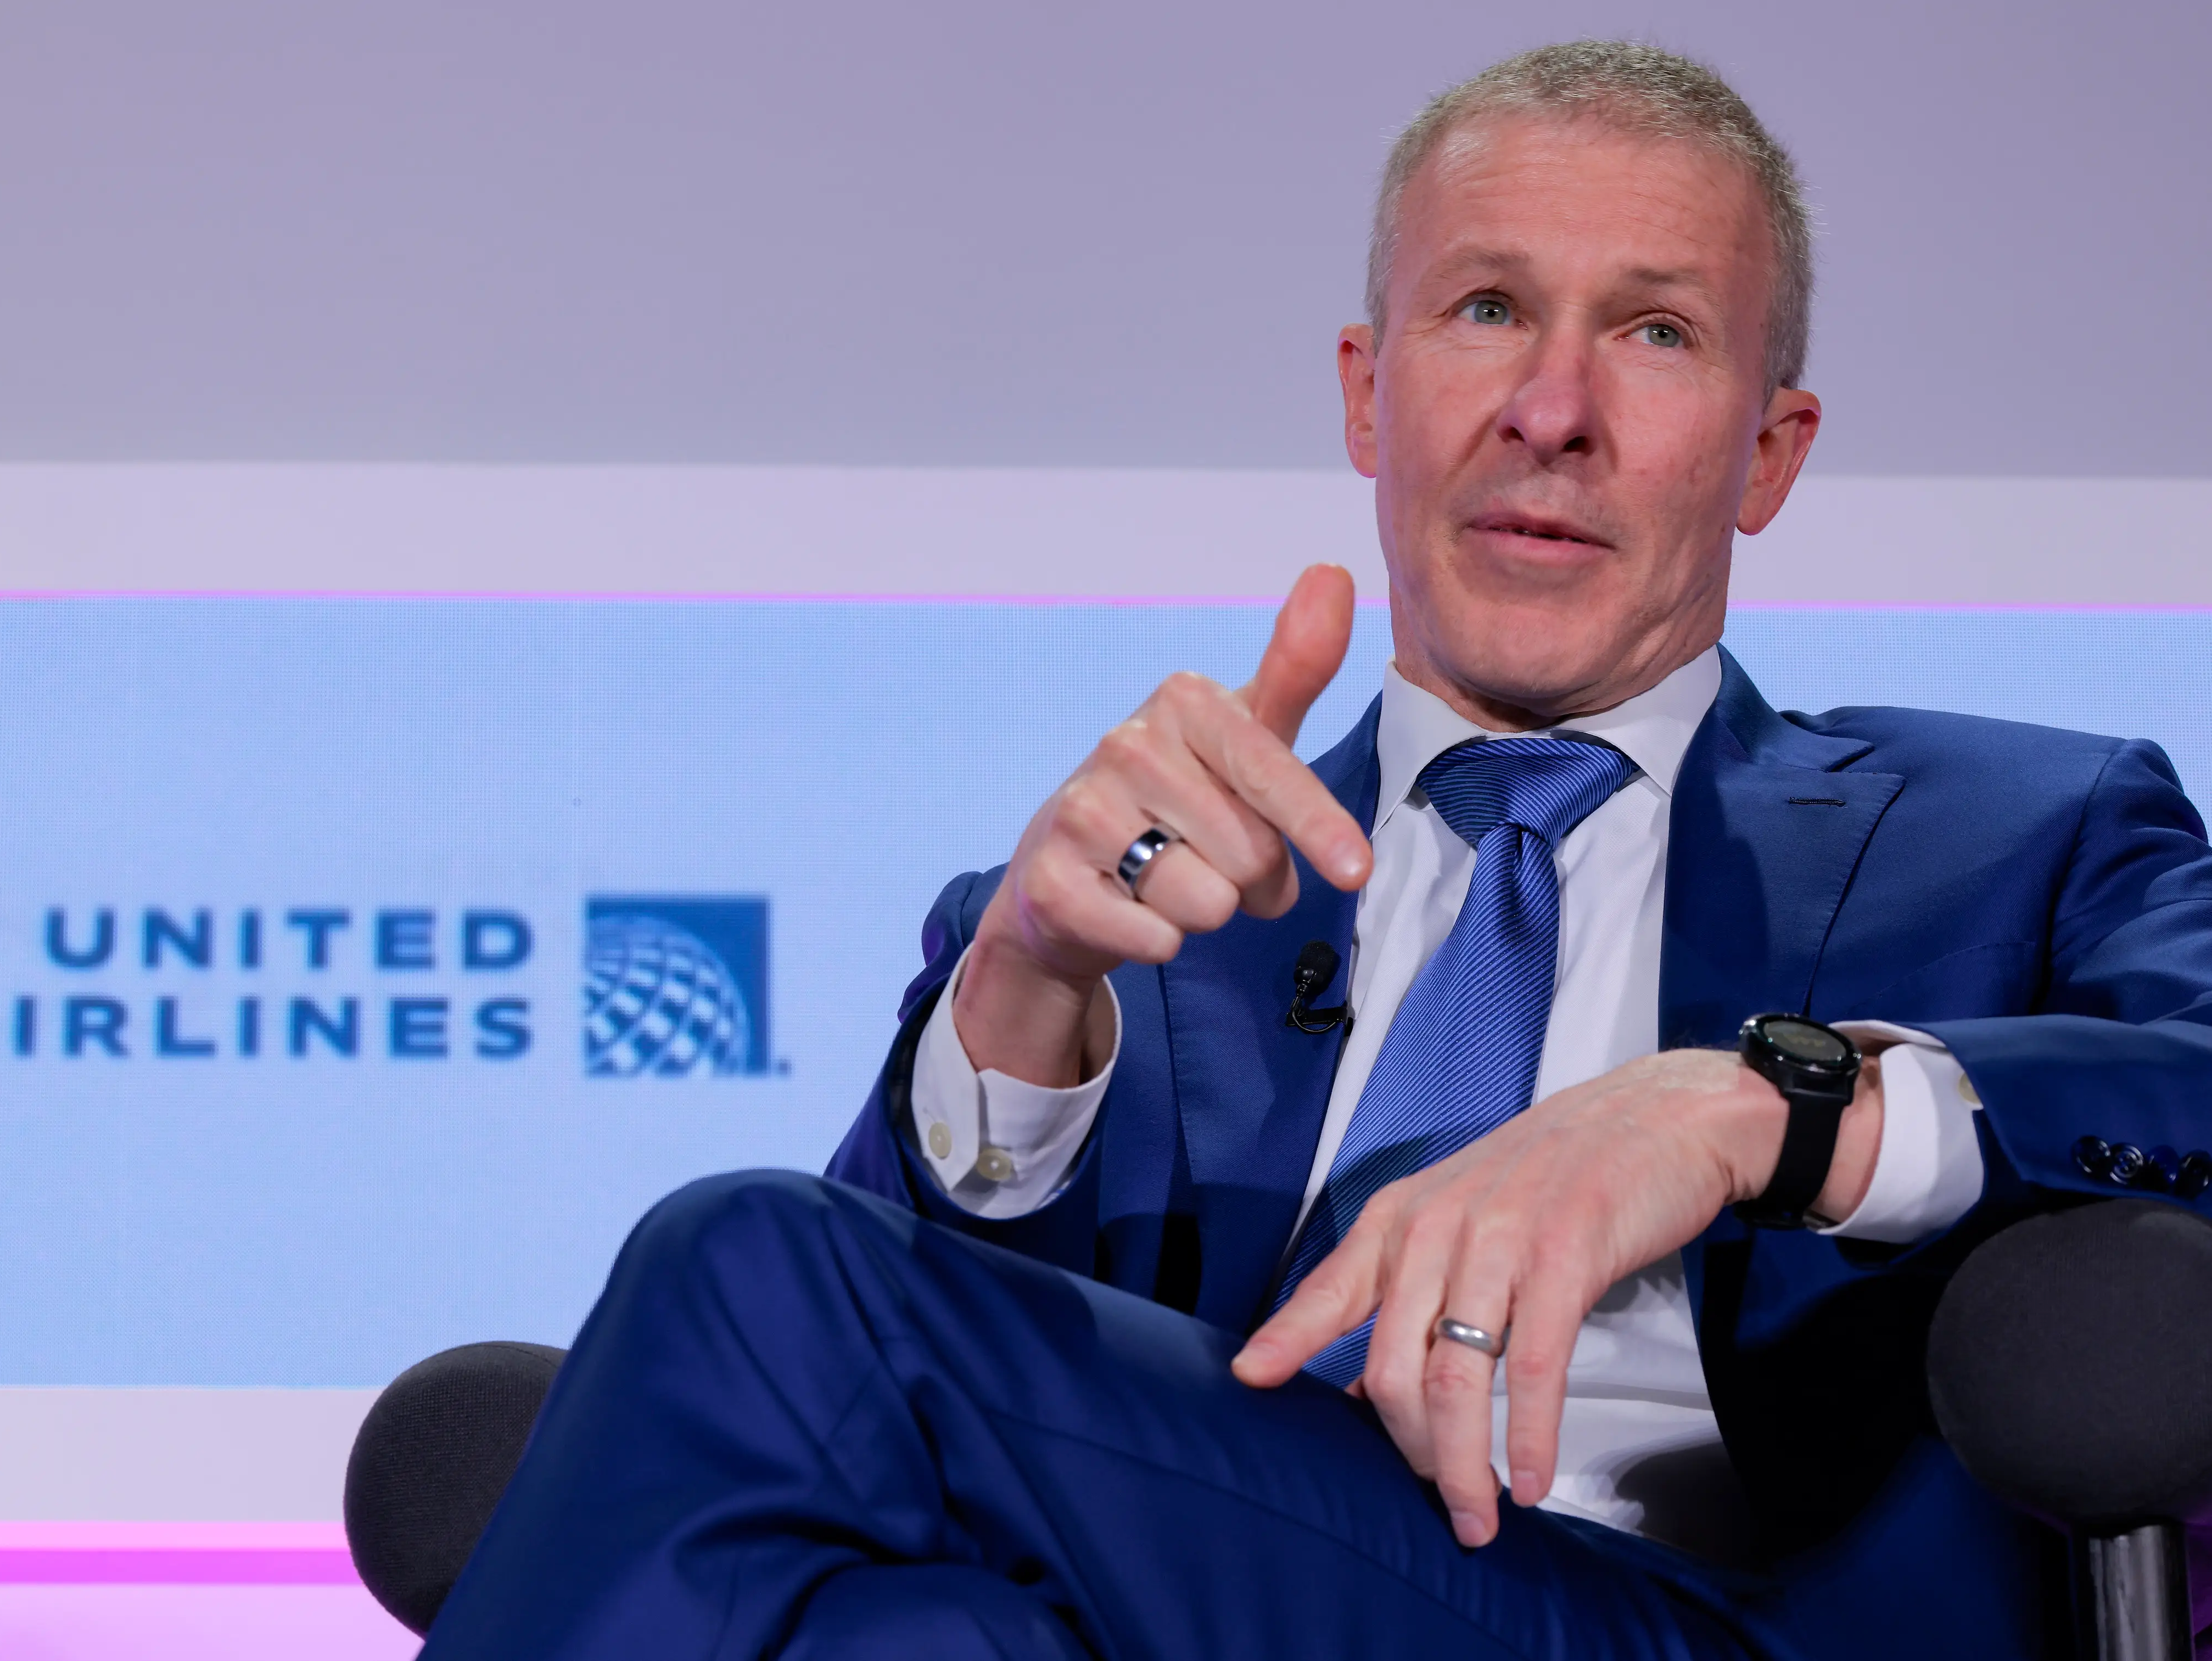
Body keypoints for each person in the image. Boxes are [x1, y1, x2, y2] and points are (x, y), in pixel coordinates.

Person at [424, 41, 2212, 1659]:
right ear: (1369, 396)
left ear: (1770, 450)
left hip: (1719, 1630)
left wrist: (1763, 1110)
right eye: (1489, 309)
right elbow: (831, 1432)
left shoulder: (2024, 833)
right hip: (1211, 1604)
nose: (1553, 409)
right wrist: (1020, 992)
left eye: (1657, 331)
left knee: (749, 1258)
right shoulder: (1148, 901)